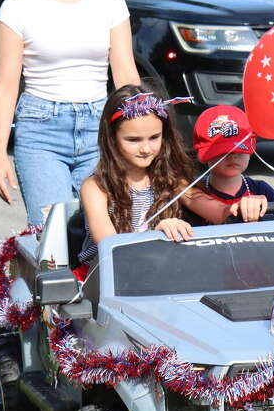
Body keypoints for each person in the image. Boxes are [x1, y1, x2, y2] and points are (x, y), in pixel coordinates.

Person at [0, 0, 140, 227]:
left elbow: (126, 74)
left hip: (99, 128)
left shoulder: (110, 1)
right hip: (40, 131)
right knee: (54, 241)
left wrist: (141, 131)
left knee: (101, 234)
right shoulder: (18, 8)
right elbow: (5, 86)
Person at [77, 83, 197, 274]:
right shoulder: (96, 187)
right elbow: (112, 247)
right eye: (133, 140)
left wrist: (241, 203)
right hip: (104, 277)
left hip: (159, 272)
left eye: (154, 137)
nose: (146, 149)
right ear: (111, 138)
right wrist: (158, 233)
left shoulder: (172, 179)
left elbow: (215, 210)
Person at [183, 106, 274, 224]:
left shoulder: (260, 189)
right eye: (224, 152)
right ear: (203, 155)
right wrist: (171, 223)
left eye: (240, 149)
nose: (233, 156)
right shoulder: (193, 191)